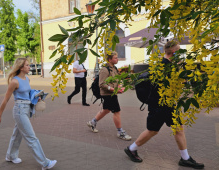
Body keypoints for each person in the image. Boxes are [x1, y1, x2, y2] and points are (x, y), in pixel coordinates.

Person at [124, 41, 204, 169]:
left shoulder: (170, 65)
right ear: (174, 52)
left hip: (169, 104)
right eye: (179, 51)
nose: (181, 54)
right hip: (159, 105)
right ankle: (131, 149)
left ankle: (185, 158)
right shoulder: (164, 66)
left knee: (178, 128)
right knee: (153, 130)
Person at [0, 58, 57, 170]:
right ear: (21, 67)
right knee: (31, 138)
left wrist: (36, 97)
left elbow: (27, 94)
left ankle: (10, 156)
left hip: (27, 109)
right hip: (19, 110)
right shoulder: (14, 81)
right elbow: (5, 100)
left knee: (17, 135)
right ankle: (45, 163)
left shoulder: (27, 79)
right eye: (27, 65)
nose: (29, 67)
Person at [86, 51, 132, 140]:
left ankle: (92, 122)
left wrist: (122, 83)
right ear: (110, 59)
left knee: (106, 110)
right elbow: (101, 84)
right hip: (108, 94)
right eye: (115, 58)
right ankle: (120, 132)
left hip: (112, 93)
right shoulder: (104, 69)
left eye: (117, 57)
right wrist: (114, 89)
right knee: (116, 111)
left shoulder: (114, 68)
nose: (117, 59)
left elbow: (117, 79)